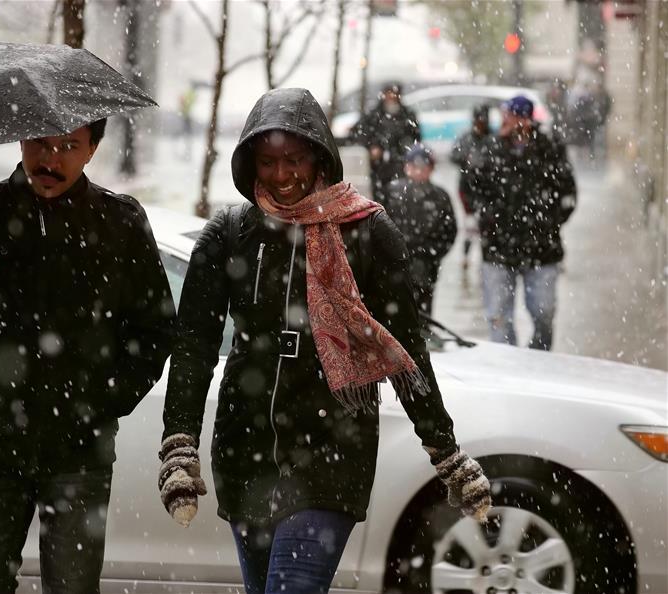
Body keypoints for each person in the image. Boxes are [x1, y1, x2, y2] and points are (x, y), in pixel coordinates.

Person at [157, 88, 491, 594]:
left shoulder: (367, 231)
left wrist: (445, 451)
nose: (282, 174)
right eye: (267, 161)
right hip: (245, 450)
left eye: (294, 159)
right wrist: (179, 444)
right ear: (250, 164)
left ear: (319, 157)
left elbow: (405, 351)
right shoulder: (230, 234)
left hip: (332, 452)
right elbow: (195, 347)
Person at [0, 120, 176, 594]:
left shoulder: (119, 222)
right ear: (20, 139)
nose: (50, 159)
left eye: (69, 146)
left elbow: (155, 331)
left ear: (93, 149)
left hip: (79, 453)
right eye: (40, 143)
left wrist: (102, 400)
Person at [469, 96, 577, 351]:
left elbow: (568, 192)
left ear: (525, 120)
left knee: (544, 313)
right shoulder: (490, 148)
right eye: (505, 115)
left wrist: (549, 223)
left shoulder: (549, 148)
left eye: (511, 116)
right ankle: (508, 369)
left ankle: (538, 360)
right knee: (498, 318)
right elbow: (471, 187)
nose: (505, 120)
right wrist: (488, 219)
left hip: (541, 248)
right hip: (497, 248)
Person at [385, 144, 457, 317]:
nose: (418, 171)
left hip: (426, 265)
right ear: (406, 167)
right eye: (414, 166)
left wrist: (431, 255)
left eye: (423, 167)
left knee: (423, 310)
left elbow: (450, 232)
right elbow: (379, 226)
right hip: (395, 264)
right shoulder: (392, 192)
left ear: (431, 169)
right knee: (394, 311)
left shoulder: (440, 196)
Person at [349, 81, 421, 201]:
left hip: (401, 164)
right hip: (379, 167)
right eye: (389, 93)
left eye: (394, 94)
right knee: (380, 198)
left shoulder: (407, 115)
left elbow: (416, 137)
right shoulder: (373, 115)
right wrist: (372, 147)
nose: (391, 97)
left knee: (401, 197)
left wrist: (405, 148)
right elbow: (358, 132)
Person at [450, 105, 495, 276]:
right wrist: (466, 159)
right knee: (470, 224)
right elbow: (453, 155)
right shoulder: (466, 139)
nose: (480, 124)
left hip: (487, 190)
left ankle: (486, 255)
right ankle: (466, 256)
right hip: (467, 189)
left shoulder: (493, 139)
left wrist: (485, 163)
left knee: (487, 223)